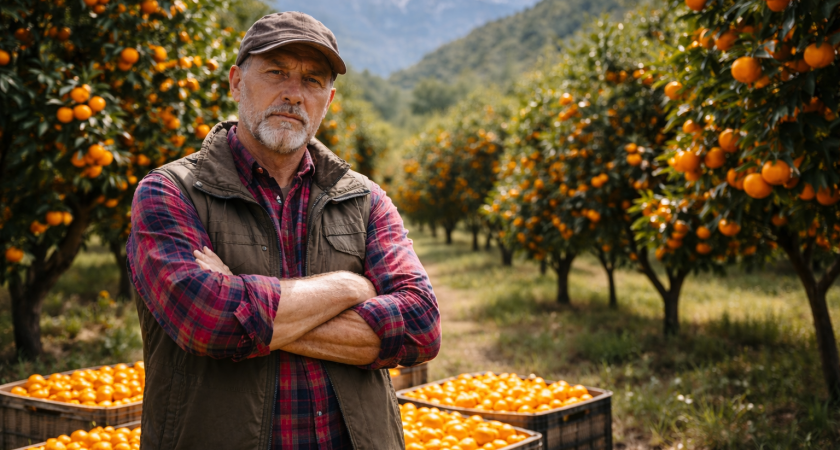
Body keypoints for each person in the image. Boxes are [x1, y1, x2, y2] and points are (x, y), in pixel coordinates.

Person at [126, 11, 440, 449]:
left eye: (312, 80)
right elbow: (208, 321)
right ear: (236, 81)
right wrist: (352, 286)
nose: (294, 94)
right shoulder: (171, 192)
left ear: (328, 100)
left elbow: (420, 326)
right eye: (277, 72)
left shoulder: (364, 200)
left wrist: (241, 294)